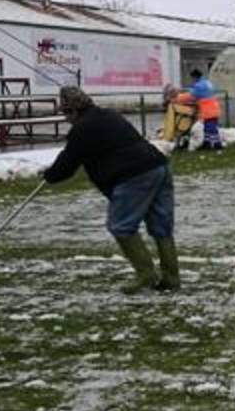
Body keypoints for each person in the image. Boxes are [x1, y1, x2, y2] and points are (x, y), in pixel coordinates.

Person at [43, 86, 179, 292]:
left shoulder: (81, 130)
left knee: (121, 226)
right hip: (158, 166)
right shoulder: (110, 115)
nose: (65, 119)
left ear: (73, 110)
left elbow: (66, 166)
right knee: (161, 226)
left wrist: (49, 175)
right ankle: (171, 278)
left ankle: (146, 274)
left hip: (133, 177)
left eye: (65, 113)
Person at [188, 69, 223, 150]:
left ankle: (216, 144)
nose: (192, 80)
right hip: (214, 107)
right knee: (208, 127)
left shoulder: (199, 85)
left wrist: (177, 97)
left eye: (192, 78)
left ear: (195, 77)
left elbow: (193, 95)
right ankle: (207, 143)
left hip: (208, 110)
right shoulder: (207, 82)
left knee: (211, 128)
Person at [160, 84, 197, 149]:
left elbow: (170, 124)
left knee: (174, 123)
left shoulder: (173, 106)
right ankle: (182, 141)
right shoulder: (186, 103)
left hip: (181, 125)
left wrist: (166, 139)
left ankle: (177, 143)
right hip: (190, 123)